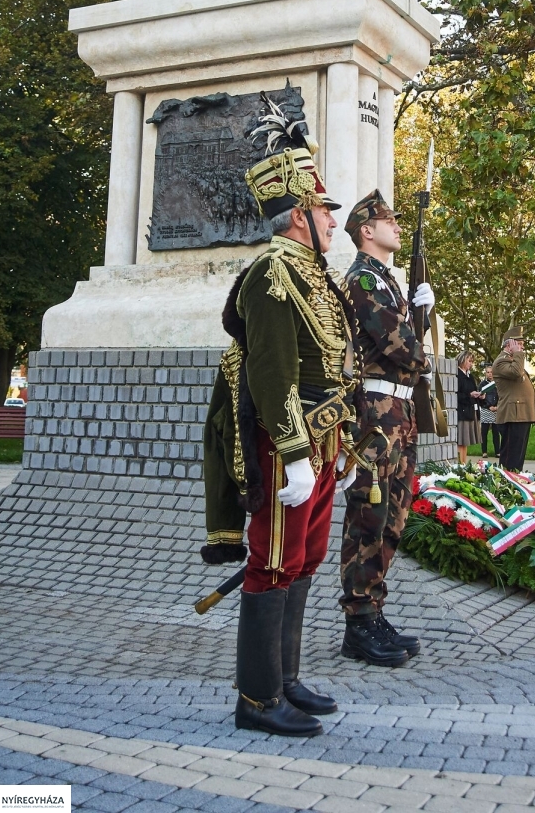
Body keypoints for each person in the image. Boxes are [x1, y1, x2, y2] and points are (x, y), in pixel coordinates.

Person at [208, 98, 359, 738]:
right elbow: (273, 371)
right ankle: (258, 698)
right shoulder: (274, 272)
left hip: (322, 442)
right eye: (326, 211)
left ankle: (287, 678)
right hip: (285, 446)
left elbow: (334, 368)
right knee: (273, 559)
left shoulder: (316, 276)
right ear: (299, 215)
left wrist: (340, 445)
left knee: (304, 557)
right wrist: (295, 452)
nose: (334, 221)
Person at [339, 190, 434, 667]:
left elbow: (409, 346)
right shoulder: (363, 279)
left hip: (398, 412)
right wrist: (418, 336)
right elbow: (405, 350)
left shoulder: (387, 281)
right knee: (369, 513)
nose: (397, 227)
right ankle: (357, 622)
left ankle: (373, 609)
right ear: (366, 230)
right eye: (388, 221)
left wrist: (422, 311)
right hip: (376, 413)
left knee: (394, 514)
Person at [493, 326, 535, 472]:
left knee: (518, 458)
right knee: (510, 459)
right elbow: (516, 373)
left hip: (521, 415)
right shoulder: (501, 361)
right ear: (509, 344)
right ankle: (506, 484)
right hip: (513, 415)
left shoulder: (512, 360)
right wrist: (518, 354)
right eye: (519, 343)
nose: (522, 347)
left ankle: (515, 482)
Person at [456, 351, 482, 464]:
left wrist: (479, 395)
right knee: (461, 440)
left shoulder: (469, 375)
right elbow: (456, 394)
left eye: (472, 362)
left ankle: (463, 462)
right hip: (462, 412)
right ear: (462, 360)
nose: (471, 364)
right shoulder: (457, 374)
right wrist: (469, 395)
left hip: (470, 410)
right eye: (469, 361)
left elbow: (472, 390)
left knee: (465, 441)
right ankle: (459, 463)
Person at [478, 364, 500, 458]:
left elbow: (501, 396)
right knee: (484, 432)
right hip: (486, 410)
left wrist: (497, 406)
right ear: (485, 373)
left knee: (496, 432)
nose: (490, 374)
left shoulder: (497, 383)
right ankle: (484, 451)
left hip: (496, 410)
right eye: (488, 372)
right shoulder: (482, 384)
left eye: (491, 372)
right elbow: (480, 398)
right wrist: (489, 406)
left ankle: (497, 452)